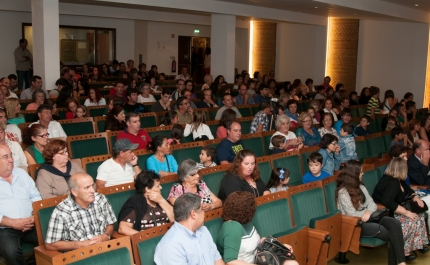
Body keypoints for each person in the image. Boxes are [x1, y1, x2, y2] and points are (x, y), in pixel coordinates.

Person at [336, 160, 406, 265]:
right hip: (355, 224)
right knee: (392, 234)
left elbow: (372, 204)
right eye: (360, 172)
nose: (363, 173)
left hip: (370, 217)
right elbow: (351, 214)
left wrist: (368, 212)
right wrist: (366, 213)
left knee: (395, 223)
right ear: (353, 174)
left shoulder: (361, 186)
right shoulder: (343, 192)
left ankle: (401, 262)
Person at [217, 191, 298, 265]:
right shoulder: (232, 227)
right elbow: (230, 261)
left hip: (258, 259)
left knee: (293, 264)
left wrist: (280, 248)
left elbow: (258, 243)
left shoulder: (246, 222)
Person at [373, 158, 429, 261]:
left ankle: (415, 246)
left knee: (419, 216)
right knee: (412, 219)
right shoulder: (392, 182)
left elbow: (408, 190)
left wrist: (414, 196)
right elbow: (387, 202)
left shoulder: (398, 180)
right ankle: (404, 251)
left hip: (394, 208)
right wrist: (407, 213)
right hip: (384, 212)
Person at [44, 173, 116, 251]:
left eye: (92, 185)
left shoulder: (101, 199)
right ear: (75, 192)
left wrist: (105, 236)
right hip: (78, 255)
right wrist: (81, 245)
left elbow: (110, 224)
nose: (92, 190)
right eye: (87, 188)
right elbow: (50, 244)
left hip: (103, 249)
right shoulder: (62, 211)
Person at [154, 193, 224, 265]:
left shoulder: (203, 230)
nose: (204, 213)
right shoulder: (171, 245)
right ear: (193, 214)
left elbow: (217, 260)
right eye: (202, 210)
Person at [0, 144, 41, 265]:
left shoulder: (21, 173)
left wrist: (34, 216)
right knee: (11, 252)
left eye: (11, 155)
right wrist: (12, 223)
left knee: (51, 241)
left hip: (31, 222)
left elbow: (35, 196)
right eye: (5, 157)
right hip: (5, 228)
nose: (11, 159)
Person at [117, 170, 174, 235]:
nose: (161, 188)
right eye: (158, 186)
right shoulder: (135, 202)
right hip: (148, 241)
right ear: (148, 189)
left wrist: (161, 201)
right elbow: (123, 228)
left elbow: (176, 220)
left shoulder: (161, 200)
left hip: (168, 236)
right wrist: (144, 237)